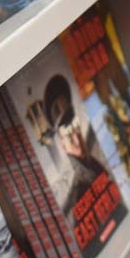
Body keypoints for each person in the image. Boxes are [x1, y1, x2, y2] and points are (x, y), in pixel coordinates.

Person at [44, 74, 109, 215]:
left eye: (74, 123)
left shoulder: (95, 160)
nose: (75, 133)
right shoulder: (77, 192)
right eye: (67, 129)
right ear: (61, 142)